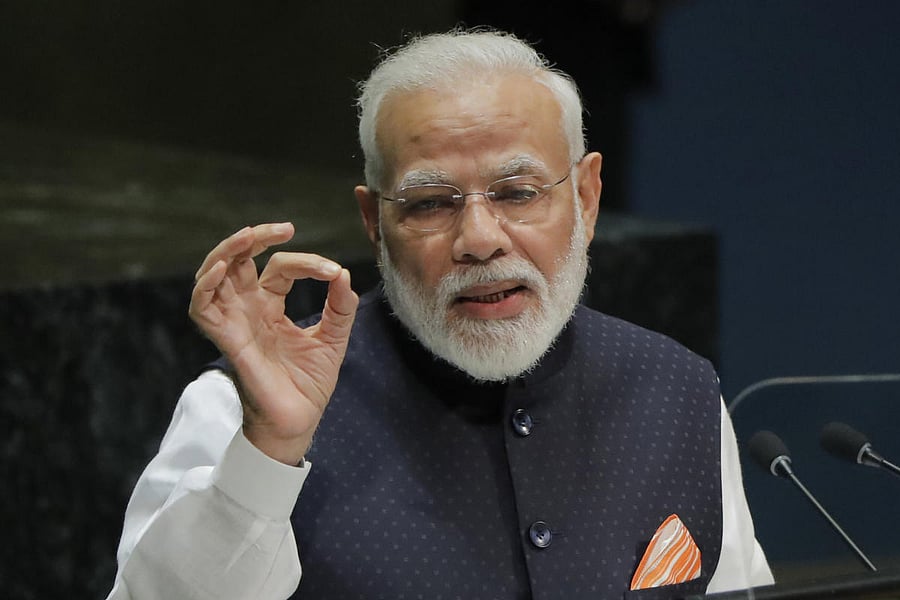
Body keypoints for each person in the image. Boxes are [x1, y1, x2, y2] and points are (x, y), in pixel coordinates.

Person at [107, 29, 773, 599]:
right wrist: (271, 452)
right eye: (429, 203)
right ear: (374, 223)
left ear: (588, 196)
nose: (480, 239)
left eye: (517, 193)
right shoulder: (239, 408)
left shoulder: (679, 389)